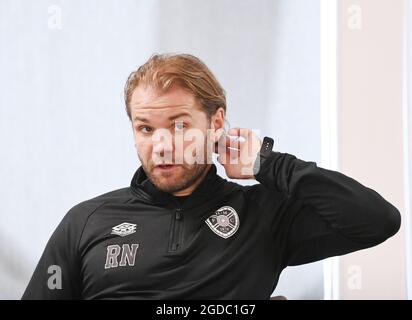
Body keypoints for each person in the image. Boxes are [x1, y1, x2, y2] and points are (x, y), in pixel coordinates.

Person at [22, 53, 401, 299]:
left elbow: (376, 220)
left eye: (179, 125)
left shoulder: (262, 215)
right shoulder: (85, 222)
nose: (162, 145)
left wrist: (270, 165)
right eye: (146, 129)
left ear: (216, 122)